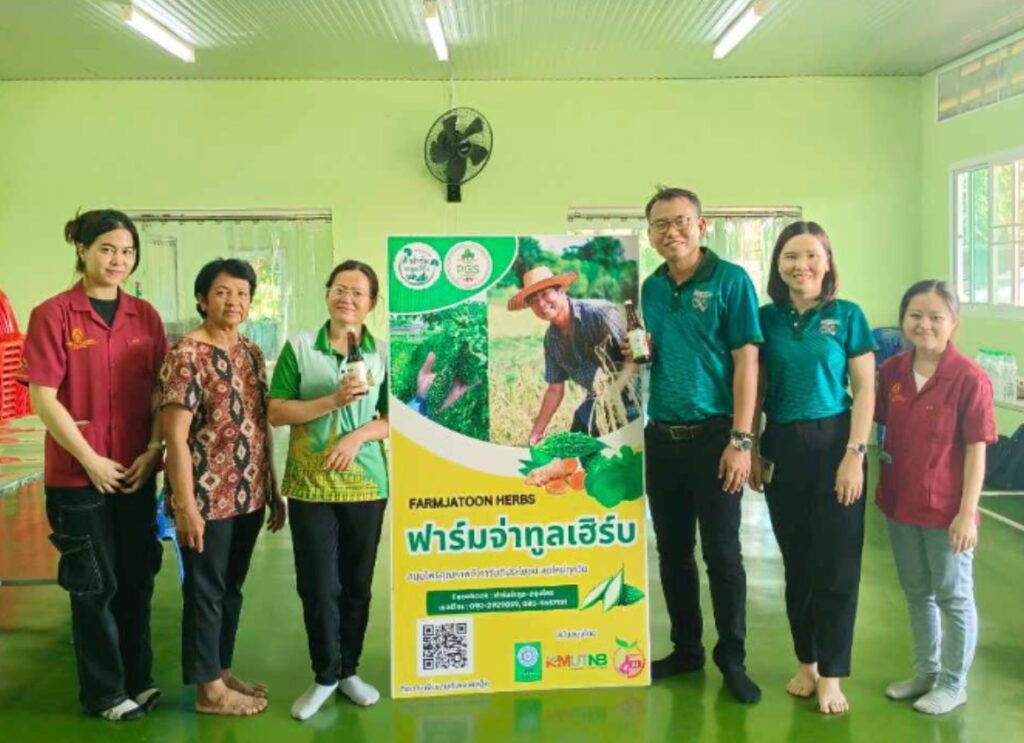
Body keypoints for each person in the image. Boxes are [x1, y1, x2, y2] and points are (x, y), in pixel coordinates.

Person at [24, 210, 167, 721]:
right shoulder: (53, 314)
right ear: (82, 250)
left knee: (136, 577)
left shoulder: (144, 316)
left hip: (135, 471)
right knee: (93, 583)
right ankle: (104, 693)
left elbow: (160, 391)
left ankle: (138, 679)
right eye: (107, 248)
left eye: (127, 251)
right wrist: (90, 460)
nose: (118, 260)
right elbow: (43, 397)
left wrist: (154, 449)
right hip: (77, 477)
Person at [630, 186, 763, 703]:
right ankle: (686, 650)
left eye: (681, 221)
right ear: (650, 235)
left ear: (701, 226)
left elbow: (748, 362)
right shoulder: (651, 288)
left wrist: (742, 440)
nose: (672, 232)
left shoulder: (731, 280)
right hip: (662, 436)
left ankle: (733, 660)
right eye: (660, 224)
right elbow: (656, 356)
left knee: (723, 553)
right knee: (672, 551)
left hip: (716, 438)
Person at [749, 221, 876, 714]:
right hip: (782, 444)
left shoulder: (847, 316)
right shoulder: (765, 319)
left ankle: (832, 674)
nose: (800, 265)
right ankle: (807, 662)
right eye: (790, 256)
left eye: (811, 256)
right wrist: (753, 445)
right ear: (778, 265)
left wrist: (854, 454)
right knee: (798, 565)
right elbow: (757, 388)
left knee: (837, 566)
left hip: (835, 443)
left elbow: (864, 389)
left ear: (827, 262)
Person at [160, 258, 286, 716]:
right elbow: (174, 436)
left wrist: (272, 486)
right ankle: (208, 691)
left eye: (242, 294)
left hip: (249, 492)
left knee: (231, 588)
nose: (234, 301)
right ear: (202, 299)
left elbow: (260, 423)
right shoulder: (186, 354)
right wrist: (185, 505)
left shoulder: (250, 351)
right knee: (205, 591)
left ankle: (221, 670)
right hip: (206, 498)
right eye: (222, 292)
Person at [267, 260, 389, 720]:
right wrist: (332, 401)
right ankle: (324, 675)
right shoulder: (301, 347)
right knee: (318, 585)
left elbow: (394, 417)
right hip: (311, 484)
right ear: (327, 294)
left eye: (358, 293)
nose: (348, 299)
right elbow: (277, 412)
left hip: (366, 484)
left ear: (372, 303)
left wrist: (356, 437)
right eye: (340, 289)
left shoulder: (382, 354)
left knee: (357, 584)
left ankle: (348, 671)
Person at [876, 280, 995, 715]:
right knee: (916, 593)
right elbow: (874, 420)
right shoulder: (892, 371)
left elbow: (976, 450)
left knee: (953, 596)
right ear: (903, 320)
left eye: (935, 317)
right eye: (915, 316)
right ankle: (926, 672)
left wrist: (967, 513)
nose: (924, 324)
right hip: (899, 502)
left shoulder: (969, 378)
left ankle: (953, 683)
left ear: (953, 323)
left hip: (947, 510)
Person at [507, 265, 639, 444]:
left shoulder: (600, 313)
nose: (541, 304)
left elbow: (636, 356)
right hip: (598, 400)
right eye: (534, 300)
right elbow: (555, 389)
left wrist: (612, 397)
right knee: (576, 439)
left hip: (634, 396)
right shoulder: (552, 340)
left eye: (545, 294)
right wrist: (537, 432)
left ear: (561, 291)